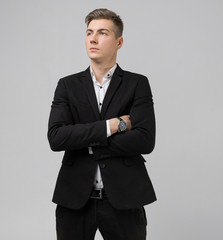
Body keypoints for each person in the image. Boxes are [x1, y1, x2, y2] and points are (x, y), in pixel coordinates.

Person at [48, 8, 156, 240]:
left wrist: (84, 140)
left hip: (124, 200)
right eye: (89, 32)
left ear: (119, 42)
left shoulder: (137, 84)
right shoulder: (67, 86)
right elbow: (57, 138)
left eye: (102, 33)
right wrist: (113, 126)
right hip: (75, 199)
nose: (93, 39)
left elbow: (145, 140)